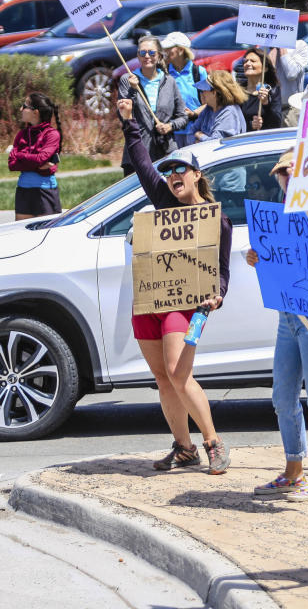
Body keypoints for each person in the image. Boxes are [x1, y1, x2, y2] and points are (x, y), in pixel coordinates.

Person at [118, 96, 233, 474]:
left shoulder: (217, 220)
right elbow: (140, 162)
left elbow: (222, 272)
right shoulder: (163, 200)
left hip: (187, 305)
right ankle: (183, 448)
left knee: (178, 373)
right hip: (150, 300)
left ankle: (213, 442)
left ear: (197, 175)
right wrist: (129, 121)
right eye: (170, 173)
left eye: (181, 170)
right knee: (163, 379)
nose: (174, 177)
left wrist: (217, 294)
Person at [246, 149, 308, 501]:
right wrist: (257, 256)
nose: (286, 178)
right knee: (282, 395)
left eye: (292, 171)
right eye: (282, 173)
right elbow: (280, 257)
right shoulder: (283, 212)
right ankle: (294, 469)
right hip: (290, 313)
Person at [118, 35, 188, 176]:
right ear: (138, 56)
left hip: (166, 152)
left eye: (152, 52)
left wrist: (170, 126)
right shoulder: (127, 80)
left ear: (160, 56)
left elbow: (183, 117)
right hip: (136, 150)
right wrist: (132, 89)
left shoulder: (169, 81)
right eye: (142, 53)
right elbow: (122, 116)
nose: (147, 56)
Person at [8, 92, 63, 220]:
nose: (21, 109)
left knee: (47, 234)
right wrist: (38, 165)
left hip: (45, 191)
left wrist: (20, 155)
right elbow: (12, 164)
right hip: (24, 190)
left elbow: (40, 158)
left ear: (35, 112)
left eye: (25, 106)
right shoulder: (21, 134)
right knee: (21, 233)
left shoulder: (52, 134)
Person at [163, 31, 207, 147]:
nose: (165, 52)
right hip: (171, 132)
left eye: (169, 48)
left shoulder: (198, 72)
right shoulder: (163, 73)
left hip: (195, 131)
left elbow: (209, 103)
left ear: (181, 50)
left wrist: (193, 113)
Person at [192, 71, 247, 143]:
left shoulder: (229, 112)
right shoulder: (208, 109)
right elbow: (191, 132)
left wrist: (200, 136)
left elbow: (216, 143)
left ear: (214, 93)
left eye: (204, 90)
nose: (201, 92)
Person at [239, 48, 282, 132]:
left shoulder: (272, 90)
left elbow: (276, 123)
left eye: (253, 61)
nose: (248, 63)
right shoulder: (238, 90)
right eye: (245, 61)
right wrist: (251, 125)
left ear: (265, 68)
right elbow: (233, 122)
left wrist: (266, 103)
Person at [267, 39, 308, 112]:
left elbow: (291, 74)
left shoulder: (300, 45)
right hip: (270, 107)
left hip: (291, 108)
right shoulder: (263, 48)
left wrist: (282, 47)